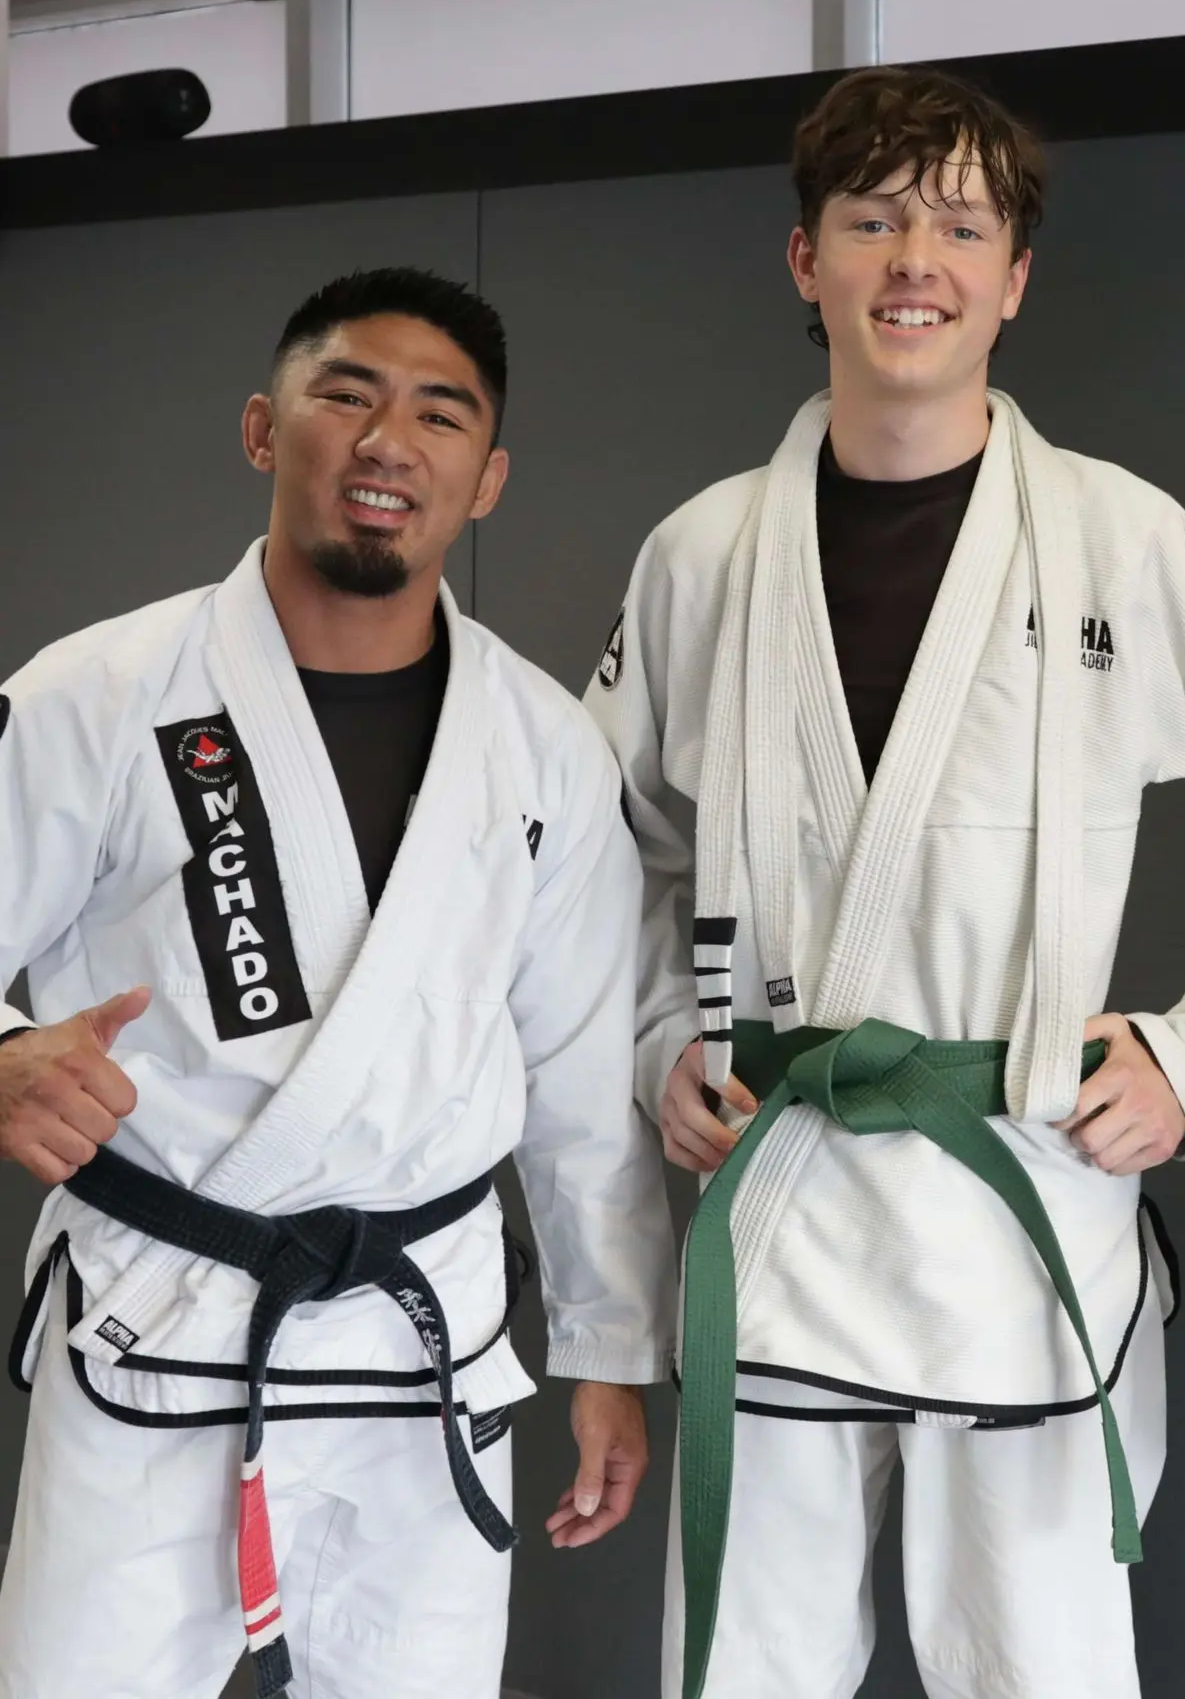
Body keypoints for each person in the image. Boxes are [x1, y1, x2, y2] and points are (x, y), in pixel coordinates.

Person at [589, 64, 1185, 1699]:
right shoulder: (701, 553)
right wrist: (654, 1045)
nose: (917, 256)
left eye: (960, 224)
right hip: (779, 1207)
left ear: (1014, 280)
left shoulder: (1124, 537)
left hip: (1027, 1196)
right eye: (874, 218)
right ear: (804, 261)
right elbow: (599, 857)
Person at [0, 268, 677, 1699]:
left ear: (484, 480)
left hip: (418, 1331)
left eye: (440, 416)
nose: (389, 442)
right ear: (263, 430)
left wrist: (612, 1347)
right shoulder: (99, 693)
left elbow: (576, 1086)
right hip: (161, 1312)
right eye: (346, 396)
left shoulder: (545, 747)